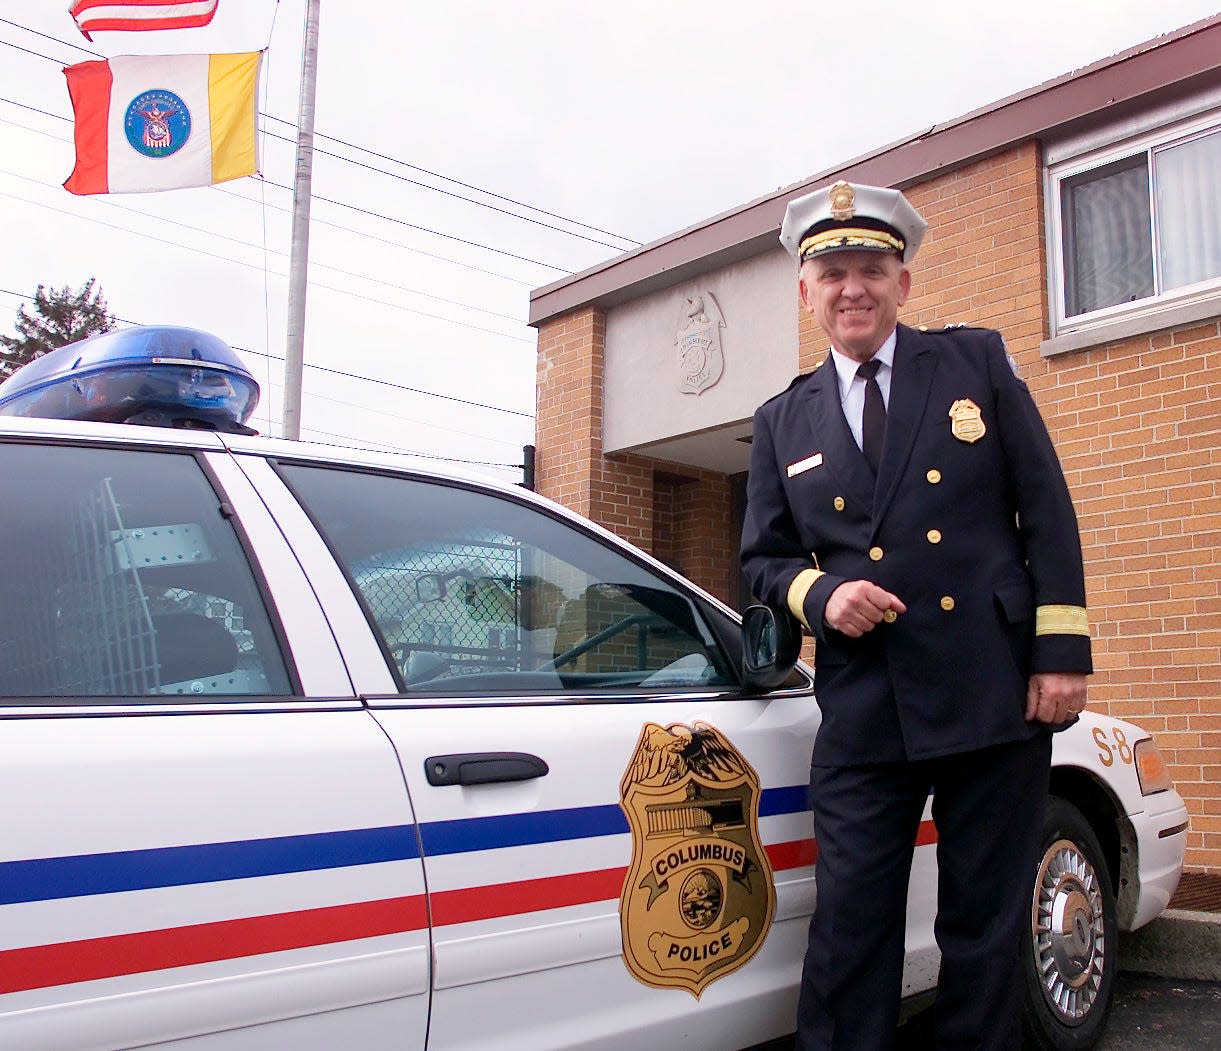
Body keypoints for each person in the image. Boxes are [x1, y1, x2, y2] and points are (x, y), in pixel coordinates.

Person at [740, 180, 1092, 1051]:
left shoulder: (972, 363)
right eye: (832, 273)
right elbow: (761, 562)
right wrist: (822, 596)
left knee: (983, 922)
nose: (851, 287)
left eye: (870, 268)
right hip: (867, 701)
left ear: (902, 282)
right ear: (805, 292)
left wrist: (1060, 653)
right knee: (851, 922)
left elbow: (1044, 509)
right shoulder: (783, 419)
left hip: (992, 683)